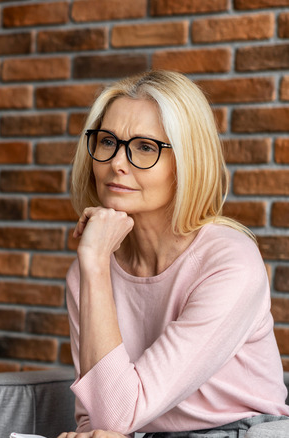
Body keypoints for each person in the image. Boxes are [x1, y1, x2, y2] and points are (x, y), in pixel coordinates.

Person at [59, 70, 289, 438]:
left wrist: (95, 268)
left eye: (145, 147)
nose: (117, 162)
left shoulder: (229, 263)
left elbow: (118, 416)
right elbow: (98, 417)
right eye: (107, 141)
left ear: (185, 163)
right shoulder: (90, 267)